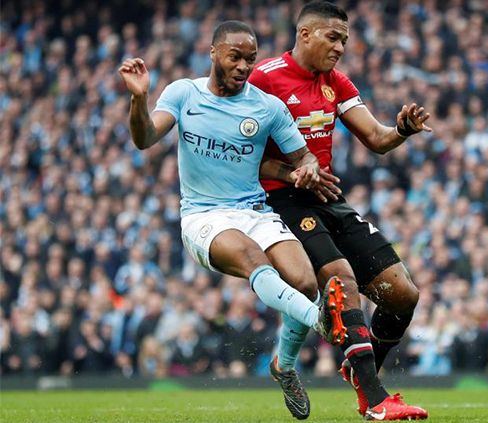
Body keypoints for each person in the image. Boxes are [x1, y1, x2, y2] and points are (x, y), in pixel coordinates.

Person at [118, 20, 348, 420]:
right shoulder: (182, 93)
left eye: (250, 59)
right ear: (213, 53)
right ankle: (321, 321)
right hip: (203, 216)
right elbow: (144, 139)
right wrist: (139, 99)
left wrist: (309, 167)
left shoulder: (266, 107)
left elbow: (302, 156)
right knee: (254, 259)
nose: (243, 66)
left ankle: (285, 366)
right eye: (235, 57)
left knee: (305, 280)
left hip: (254, 211)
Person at [250, 2, 430, 419]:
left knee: (402, 294)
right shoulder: (265, 79)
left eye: (345, 40)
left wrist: (401, 130)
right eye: (333, 37)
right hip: (281, 199)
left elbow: (377, 137)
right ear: (305, 34)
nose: (340, 47)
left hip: (328, 197)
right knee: (340, 278)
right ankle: (376, 398)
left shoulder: (336, 82)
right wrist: (295, 170)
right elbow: (243, 156)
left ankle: (363, 374)